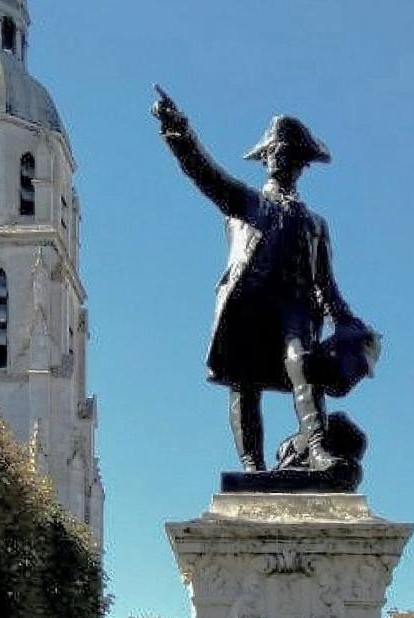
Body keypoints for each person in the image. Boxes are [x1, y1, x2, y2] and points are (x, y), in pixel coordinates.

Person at [152, 86, 376, 473]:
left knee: (303, 363)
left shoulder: (315, 224)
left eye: (286, 151)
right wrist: (179, 133)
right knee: (244, 383)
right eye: (272, 150)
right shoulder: (248, 203)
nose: (277, 156)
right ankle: (252, 466)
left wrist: (348, 322)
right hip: (249, 306)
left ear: (301, 163)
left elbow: (326, 286)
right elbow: (206, 175)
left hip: (295, 310)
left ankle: (318, 449)